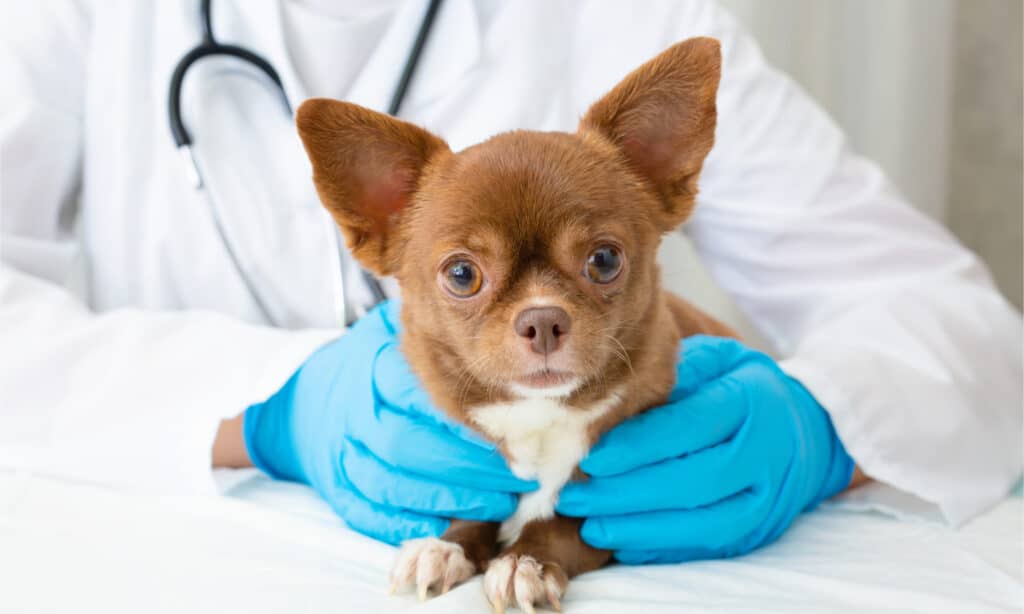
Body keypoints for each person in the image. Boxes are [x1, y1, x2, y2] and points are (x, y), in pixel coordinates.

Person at [1, 0, 1020, 565]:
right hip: (149, 549)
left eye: (599, 259)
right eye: (464, 274)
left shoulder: (639, 22)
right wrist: (273, 408)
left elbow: (959, 329)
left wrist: (825, 425)